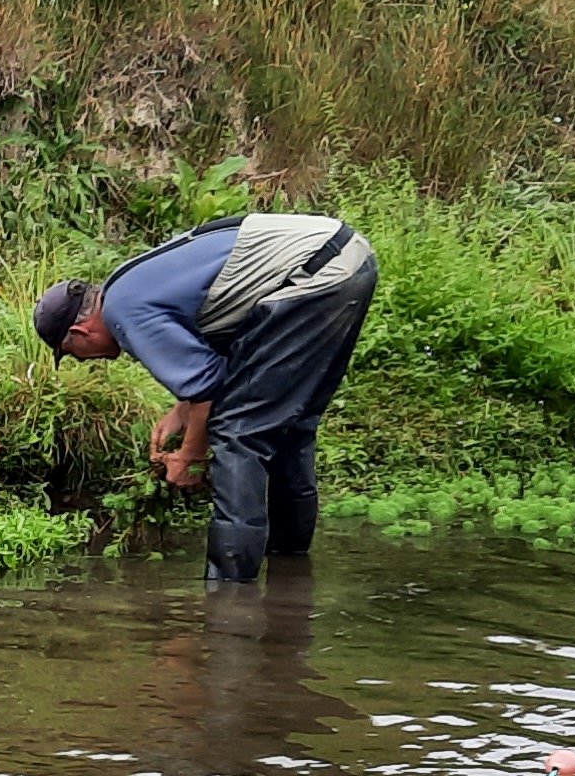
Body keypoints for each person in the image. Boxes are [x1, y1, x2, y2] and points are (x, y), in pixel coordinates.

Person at [31, 211, 380, 583]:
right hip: (347, 259)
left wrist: (190, 456)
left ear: (79, 332)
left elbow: (209, 391)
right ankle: (291, 575)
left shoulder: (123, 312)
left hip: (311, 272)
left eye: (71, 353)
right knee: (291, 426)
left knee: (238, 434)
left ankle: (230, 594)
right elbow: (217, 357)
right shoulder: (127, 285)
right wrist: (181, 411)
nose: (86, 361)